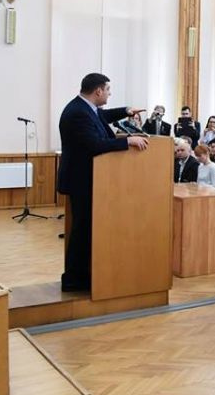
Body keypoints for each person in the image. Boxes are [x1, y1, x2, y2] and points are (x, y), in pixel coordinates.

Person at [57, 73, 148, 291]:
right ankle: (73, 279)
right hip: (82, 180)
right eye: (108, 90)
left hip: (89, 179)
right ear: (98, 91)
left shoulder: (85, 108)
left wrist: (125, 111)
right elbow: (94, 145)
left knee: (85, 228)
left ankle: (81, 276)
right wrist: (128, 141)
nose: (109, 93)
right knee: (82, 230)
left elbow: (102, 116)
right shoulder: (78, 113)